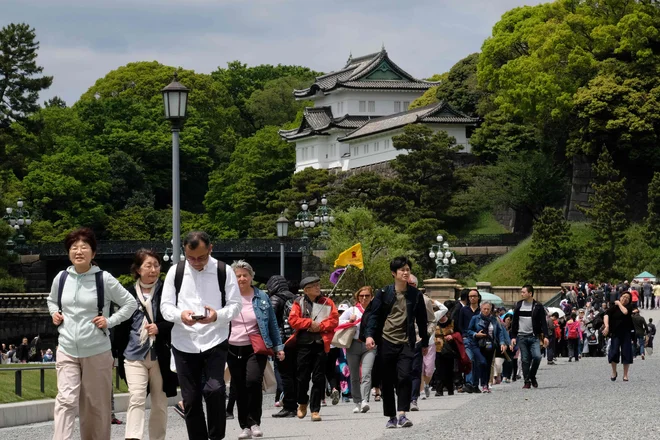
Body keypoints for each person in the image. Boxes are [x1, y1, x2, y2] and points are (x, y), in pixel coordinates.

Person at [47, 228, 137, 440]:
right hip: (67, 348)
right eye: (73, 248)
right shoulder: (61, 278)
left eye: (84, 247)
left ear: (93, 253)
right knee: (66, 400)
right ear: (68, 252)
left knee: (95, 406)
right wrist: (54, 313)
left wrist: (109, 321)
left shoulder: (103, 279)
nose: (78, 251)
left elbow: (130, 303)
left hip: (97, 350)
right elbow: (51, 300)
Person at [160, 231, 242, 440]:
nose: (196, 262)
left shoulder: (224, 270)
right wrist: (180, 315)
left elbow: (235, 305)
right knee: (191, 398)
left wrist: (217, 316)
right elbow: (165, 307)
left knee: (215, 389)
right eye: (191, 257)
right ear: (184, 252)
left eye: (201, 257)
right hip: (184, 341)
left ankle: (216, 437)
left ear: (210, 249)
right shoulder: (175, 272)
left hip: (215, 338)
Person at [112, 249, 178, 440]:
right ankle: (133, 437)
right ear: (138, 269)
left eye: (156, 265)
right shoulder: (127, 294)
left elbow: (175, 319)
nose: (153, 269)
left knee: (159, 402)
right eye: (148, 265)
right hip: (133, 354)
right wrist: (115, 353)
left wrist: (160, 327)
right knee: (137, 398)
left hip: (160, 355)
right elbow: (121, 326)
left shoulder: (167, 291)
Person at [364, 256, 428, 429]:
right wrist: (369, 336)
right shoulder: (384, 293)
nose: (406, 272)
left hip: (407, 342)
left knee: (405, 376)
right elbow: (374, 316)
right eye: (402, 270)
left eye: (408, 269)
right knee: (388, 379)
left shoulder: (415, 295)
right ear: (394, 273)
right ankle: (391, 416)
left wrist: (425, 342)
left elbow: (422, 320)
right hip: (386, 341)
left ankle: (402, 414)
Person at [228, 260, 284, 439]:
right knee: (239, 387)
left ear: (251, 277)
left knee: (252, 382)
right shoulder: (227, 297)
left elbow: (272, 324)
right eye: (238, 276)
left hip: (255, 347)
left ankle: (254, 422)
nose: (242, 279)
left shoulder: (262, 296)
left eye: (245, 275)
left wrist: (278, 347)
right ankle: (244, 425)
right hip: (231, 348)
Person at [288, 276, 339, 422]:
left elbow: (334, 320)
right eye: (314, 286)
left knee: (318, 377)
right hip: (303, 344)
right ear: (306, 289)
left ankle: (315, 409)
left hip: (320, 344)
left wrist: (321, 326)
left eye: (318, 285)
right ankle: (302, 402)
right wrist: (309, 323)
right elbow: (293, 320)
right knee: (302, 376)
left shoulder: (327, 302)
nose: (318, 287)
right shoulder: (298, 303)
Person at [338, 286, 376, 414]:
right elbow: (337, 322)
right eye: (361, 296)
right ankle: (357, 402)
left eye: (367, 296)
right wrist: (350, 320)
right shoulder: (352, 310)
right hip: (353, 344)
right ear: (357, 297)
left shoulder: (375, 310)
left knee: (366, 373)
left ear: (372, 297)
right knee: (354, 375)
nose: (364, 298)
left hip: (369, 345)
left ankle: (365, 400)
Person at [267, 275, 298, 418]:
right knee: (294, 373)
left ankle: (289, 405)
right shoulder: (296, 297)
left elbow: (269, 320)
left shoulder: (275, 298)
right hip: (296, 339)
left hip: (281, 341)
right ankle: (296, 402)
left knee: (283, 374)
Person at [510, 285, 549, 389]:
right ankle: (526, 381)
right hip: (522, 336)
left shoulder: (538, 306)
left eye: (523, 292)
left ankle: (532, 375)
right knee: (525, 359)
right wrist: (513, 336)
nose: (521, 294)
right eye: (521, 292)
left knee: (537, 356)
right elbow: (514, 322)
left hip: (534, 336)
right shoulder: (518, 305)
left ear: (530, 293)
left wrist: (546, 336)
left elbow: (543, 322)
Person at [466, 301, 507, 393]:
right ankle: (480, 382)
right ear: (481, 309)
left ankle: (485, 384)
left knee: (488, 365)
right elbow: (468, 330)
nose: (486, 311)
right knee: (483, 362)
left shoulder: (494, 319)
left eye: (488, 309)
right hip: (477, 344)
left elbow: (500, 332)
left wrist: (502, 343)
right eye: (484, 309)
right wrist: (476, 334)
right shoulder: (475, 318)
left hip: (490, 344)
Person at [603, 292, 633, 381]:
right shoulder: (613, 307)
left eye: (627, 298)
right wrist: (607, 326)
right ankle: (614, 371)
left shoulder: (629, 307)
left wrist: (619, 303)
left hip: (626, 333)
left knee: (626, 353)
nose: (625, 298)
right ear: (620, 297)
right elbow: (606, 315)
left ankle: (625, 375)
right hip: (615, 333)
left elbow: (625, 312)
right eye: (624, 296)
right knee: (614, 352)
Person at [458, 289, 481, 393]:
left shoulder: (481, 310)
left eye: (474, 296)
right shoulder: (464, 310)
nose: (472, 298)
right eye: (470, 296)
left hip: (480, 339)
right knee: (469, 360)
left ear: (478, 297)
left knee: (477, 362)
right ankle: (468, 383)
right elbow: (460, 324)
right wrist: (464, 336)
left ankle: (475, 384)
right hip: (467, 339)